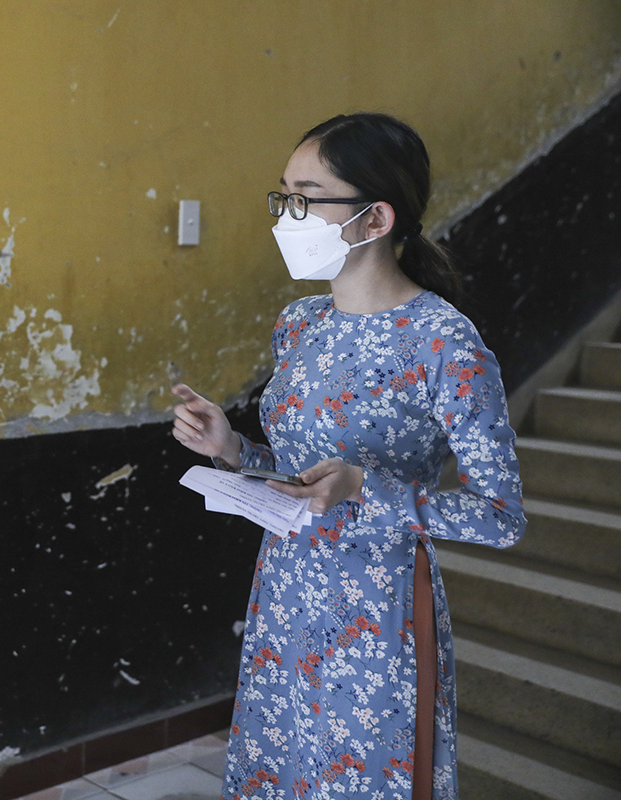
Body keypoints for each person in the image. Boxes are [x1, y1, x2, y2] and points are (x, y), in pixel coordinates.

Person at [172, 113, 524, 798]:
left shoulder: (444, 342)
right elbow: (305, 470)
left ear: (374, 219)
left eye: (306, 197)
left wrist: (370, 488)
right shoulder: (299, 325)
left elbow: (500, 517)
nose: (286, 215)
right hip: (286, 592)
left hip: (379, 609)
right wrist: (231, 447)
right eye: (283, 194)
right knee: (284, 771)